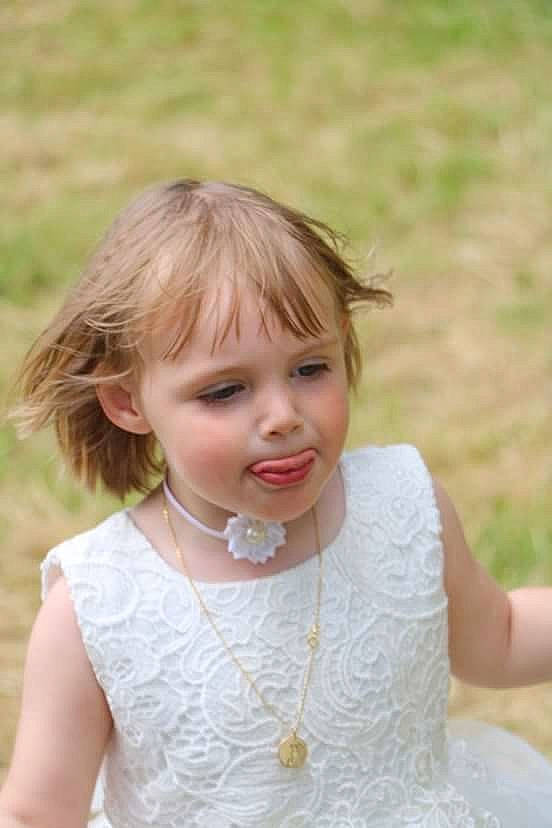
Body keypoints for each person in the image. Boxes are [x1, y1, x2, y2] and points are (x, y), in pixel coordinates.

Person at [0, 179, 551, 828]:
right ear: (127, 401)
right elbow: (39, 812)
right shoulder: (98, 604)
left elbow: (499, 637)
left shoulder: (402, 509)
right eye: (225, 391)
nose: (283, 415)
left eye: (309, 369)